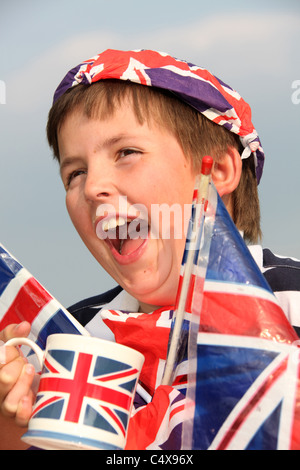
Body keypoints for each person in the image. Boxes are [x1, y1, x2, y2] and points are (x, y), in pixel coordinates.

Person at [0, 49, 299, 449]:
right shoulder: (73, 338)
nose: (91, 188)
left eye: (126, 153)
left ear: (220, 170)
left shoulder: (290, 301)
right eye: (75, 173)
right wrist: (12, 428)